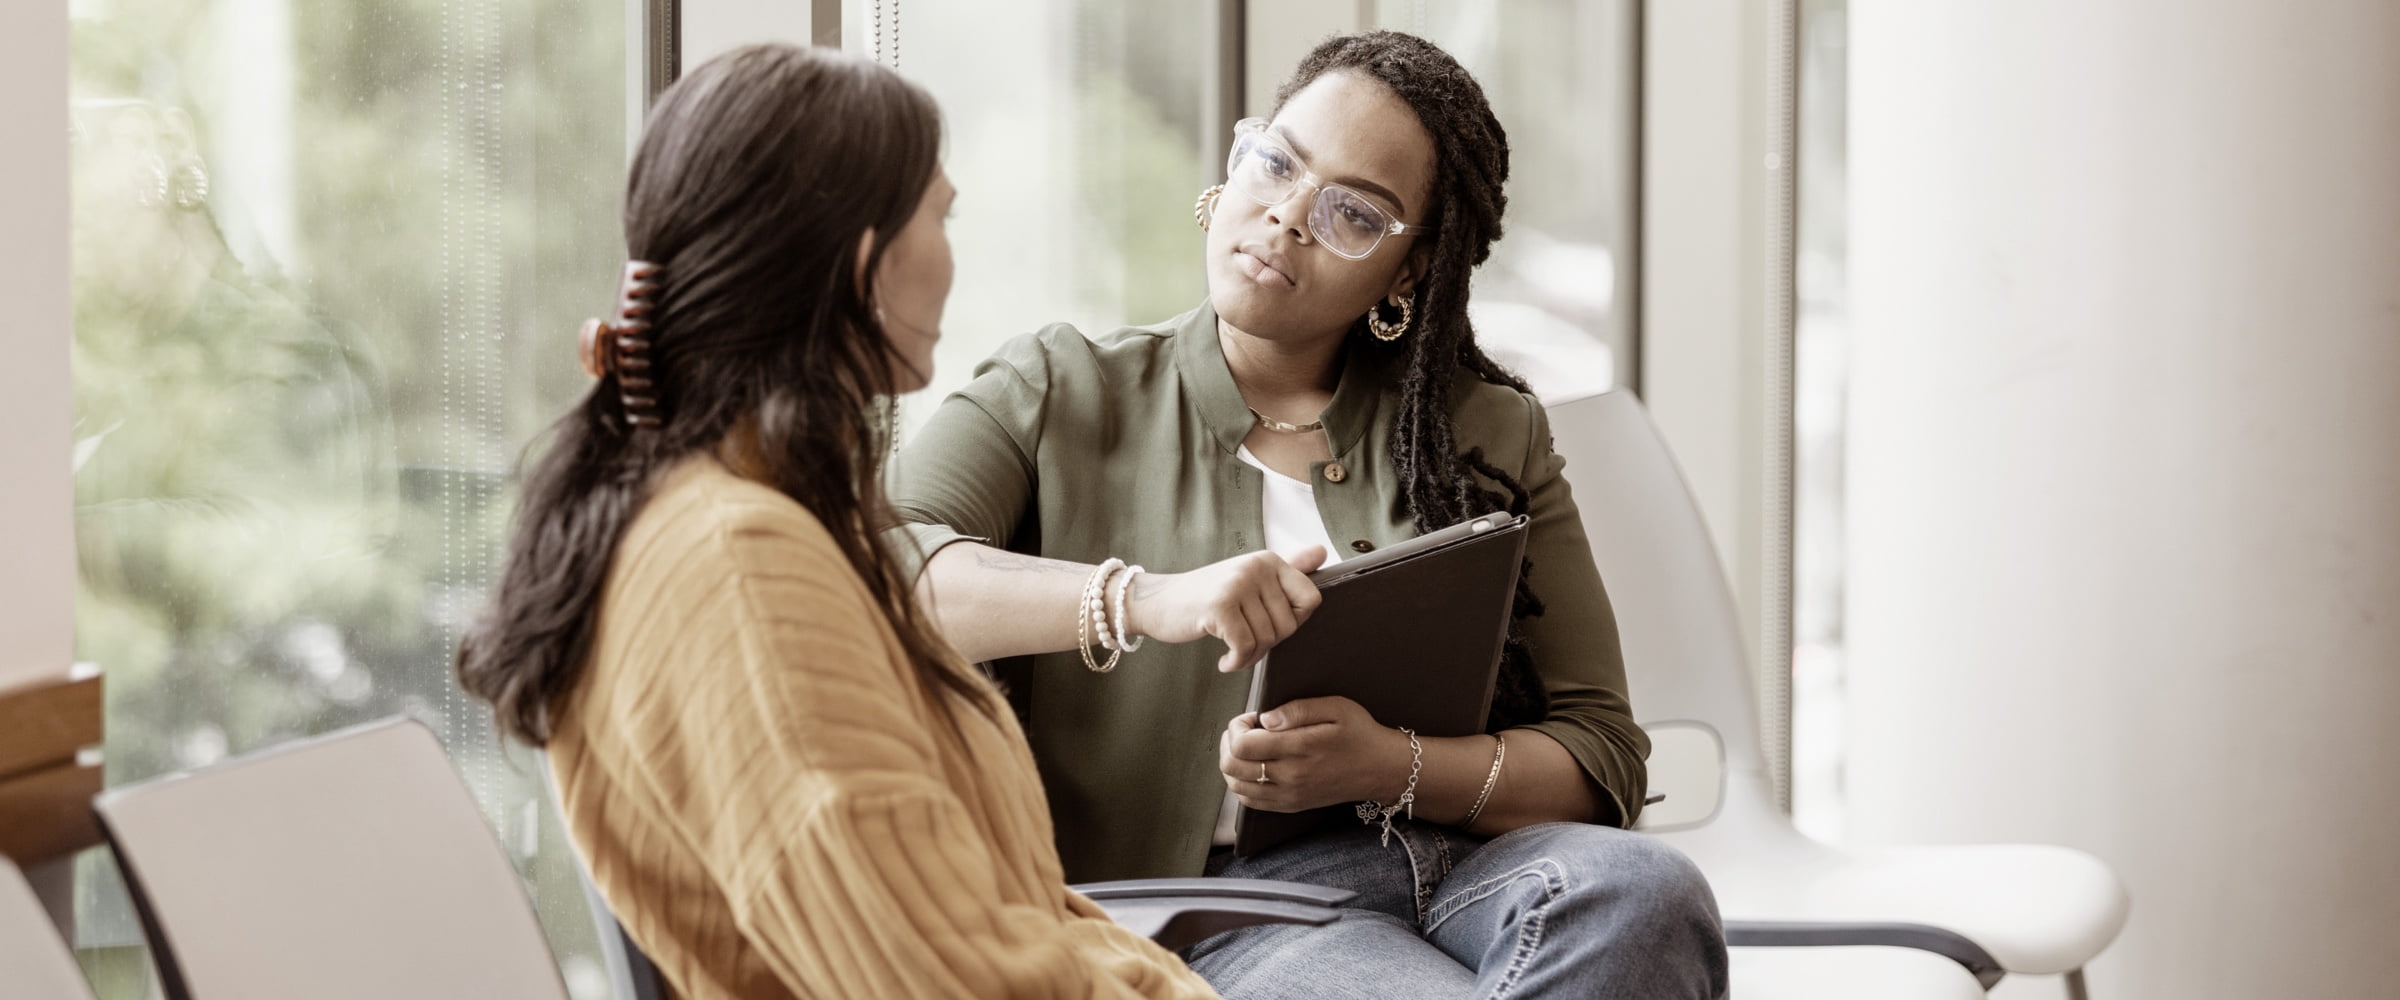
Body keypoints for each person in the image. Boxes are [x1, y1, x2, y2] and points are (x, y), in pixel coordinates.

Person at [891, 31, 1728, 999]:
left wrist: (1387, 764)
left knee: (1648, 891)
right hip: (1216, 906)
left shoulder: (1486, 427)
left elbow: (1601, 753)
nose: (1287, 215)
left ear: (1407, 272)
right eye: (1276, 161)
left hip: (1468, 869)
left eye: (1353, 213)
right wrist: (1149, 598)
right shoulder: (1061, 387)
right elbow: (880, 567)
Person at [456, 43, 1217, 999]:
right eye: (941, 217)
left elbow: (998, 921)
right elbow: (946, 982)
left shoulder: (745, 519)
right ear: (865, 265)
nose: (953, 253)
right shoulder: (739, 567)